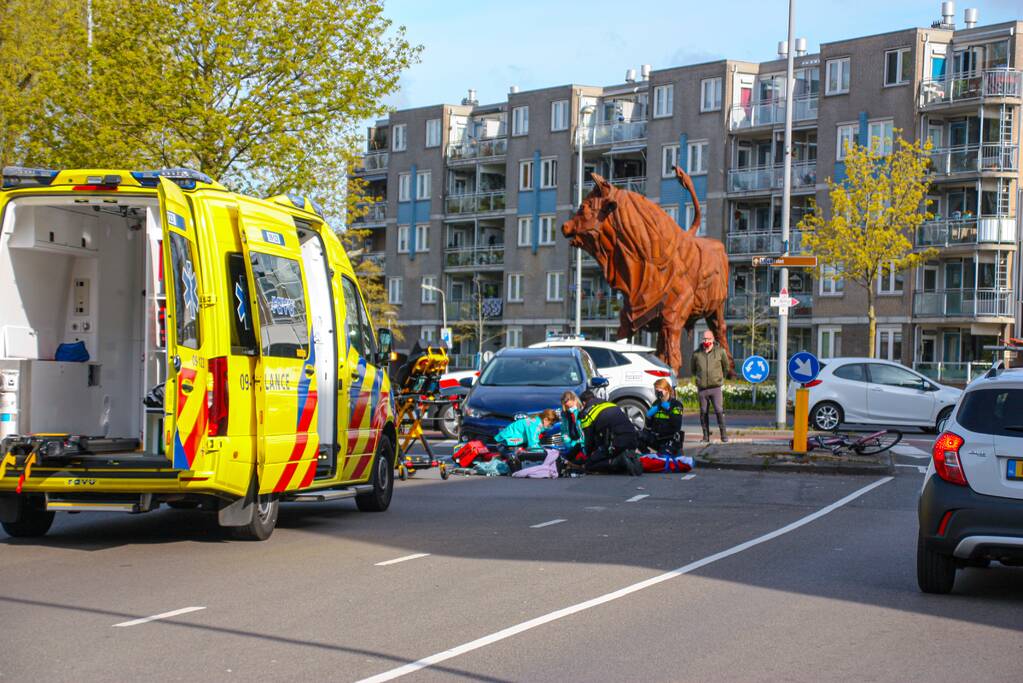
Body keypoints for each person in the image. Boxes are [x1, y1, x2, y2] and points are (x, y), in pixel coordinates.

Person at [574, 390, 643, 476]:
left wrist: (589, 456)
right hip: (633, 440)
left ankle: (619, 461)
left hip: (616, 444)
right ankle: (628, 459)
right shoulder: (611, 404)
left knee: (589, 465)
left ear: (584, 403)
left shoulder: (587, 414)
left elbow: (589, 440)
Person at [691, 329, 729, 443]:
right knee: (703, 412)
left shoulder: (720, 351)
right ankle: (706, 436)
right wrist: (699, 379)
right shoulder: (696, 354)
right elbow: (693, 369)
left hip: (715, 387)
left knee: (719, 410)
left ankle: (723, 435)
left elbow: (726, 367)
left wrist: (720, 378)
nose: (706, 341)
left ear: (712, 339)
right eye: (704, 339)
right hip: (702, 388)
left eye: (708, 338)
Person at [639, 378, 684, 455]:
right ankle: (647, 456)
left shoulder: (676, 404)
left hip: (669, 439)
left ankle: (667, 453)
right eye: (656, 391)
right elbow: (649, 426)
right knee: (637, 436)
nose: (657, 393)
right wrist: (648, 417)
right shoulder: (656, 403)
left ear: (666, 390)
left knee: (662, 455)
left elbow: (677, 425)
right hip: (657, 438)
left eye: (659, 391)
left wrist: (667, 409)